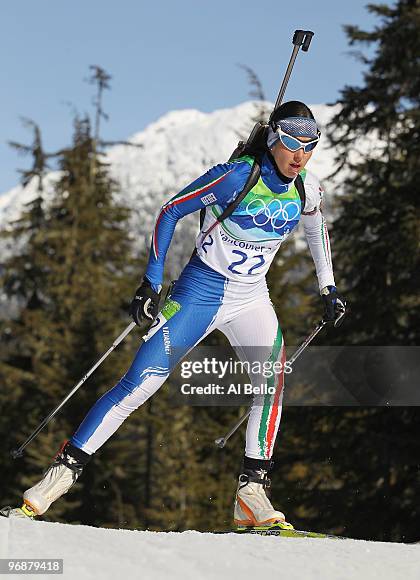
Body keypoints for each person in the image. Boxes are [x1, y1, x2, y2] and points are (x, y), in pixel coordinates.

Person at [2, 101, 345, 527]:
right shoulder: (236, 175)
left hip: (251, 299)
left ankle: (251, 492)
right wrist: (151, 280)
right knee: (139, 384)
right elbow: (170, 210)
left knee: (271, 384)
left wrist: (327, 287)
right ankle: (57, 478)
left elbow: (317, 230)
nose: (300, 154)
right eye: (292, 141)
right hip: (199, 293)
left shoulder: (306, 189)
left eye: (310, 144)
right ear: (274, 138)